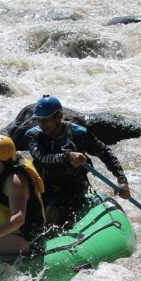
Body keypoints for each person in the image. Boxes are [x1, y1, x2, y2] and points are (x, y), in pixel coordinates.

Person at [25, 95, 131, 228]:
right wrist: (68, 157)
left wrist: (122, 180)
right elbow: (43, 158)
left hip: (72, 188)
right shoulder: (34, 136)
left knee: (51, 213)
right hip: (43, 187)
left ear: (59, 116)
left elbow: (105, 153)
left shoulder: (79, 134)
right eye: (39, 120)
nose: (42, 124)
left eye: (46, 120)